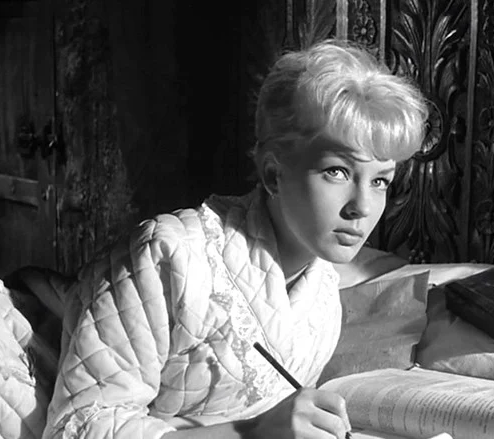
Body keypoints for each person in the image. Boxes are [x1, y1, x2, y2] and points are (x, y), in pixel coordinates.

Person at [42, 38, 428, 439]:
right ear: (273, 174)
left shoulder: (323, 290)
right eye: (337, 172)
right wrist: (252, 432)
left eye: (380, 181)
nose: (362, 207)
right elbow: (77, 427)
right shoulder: (168, 255)